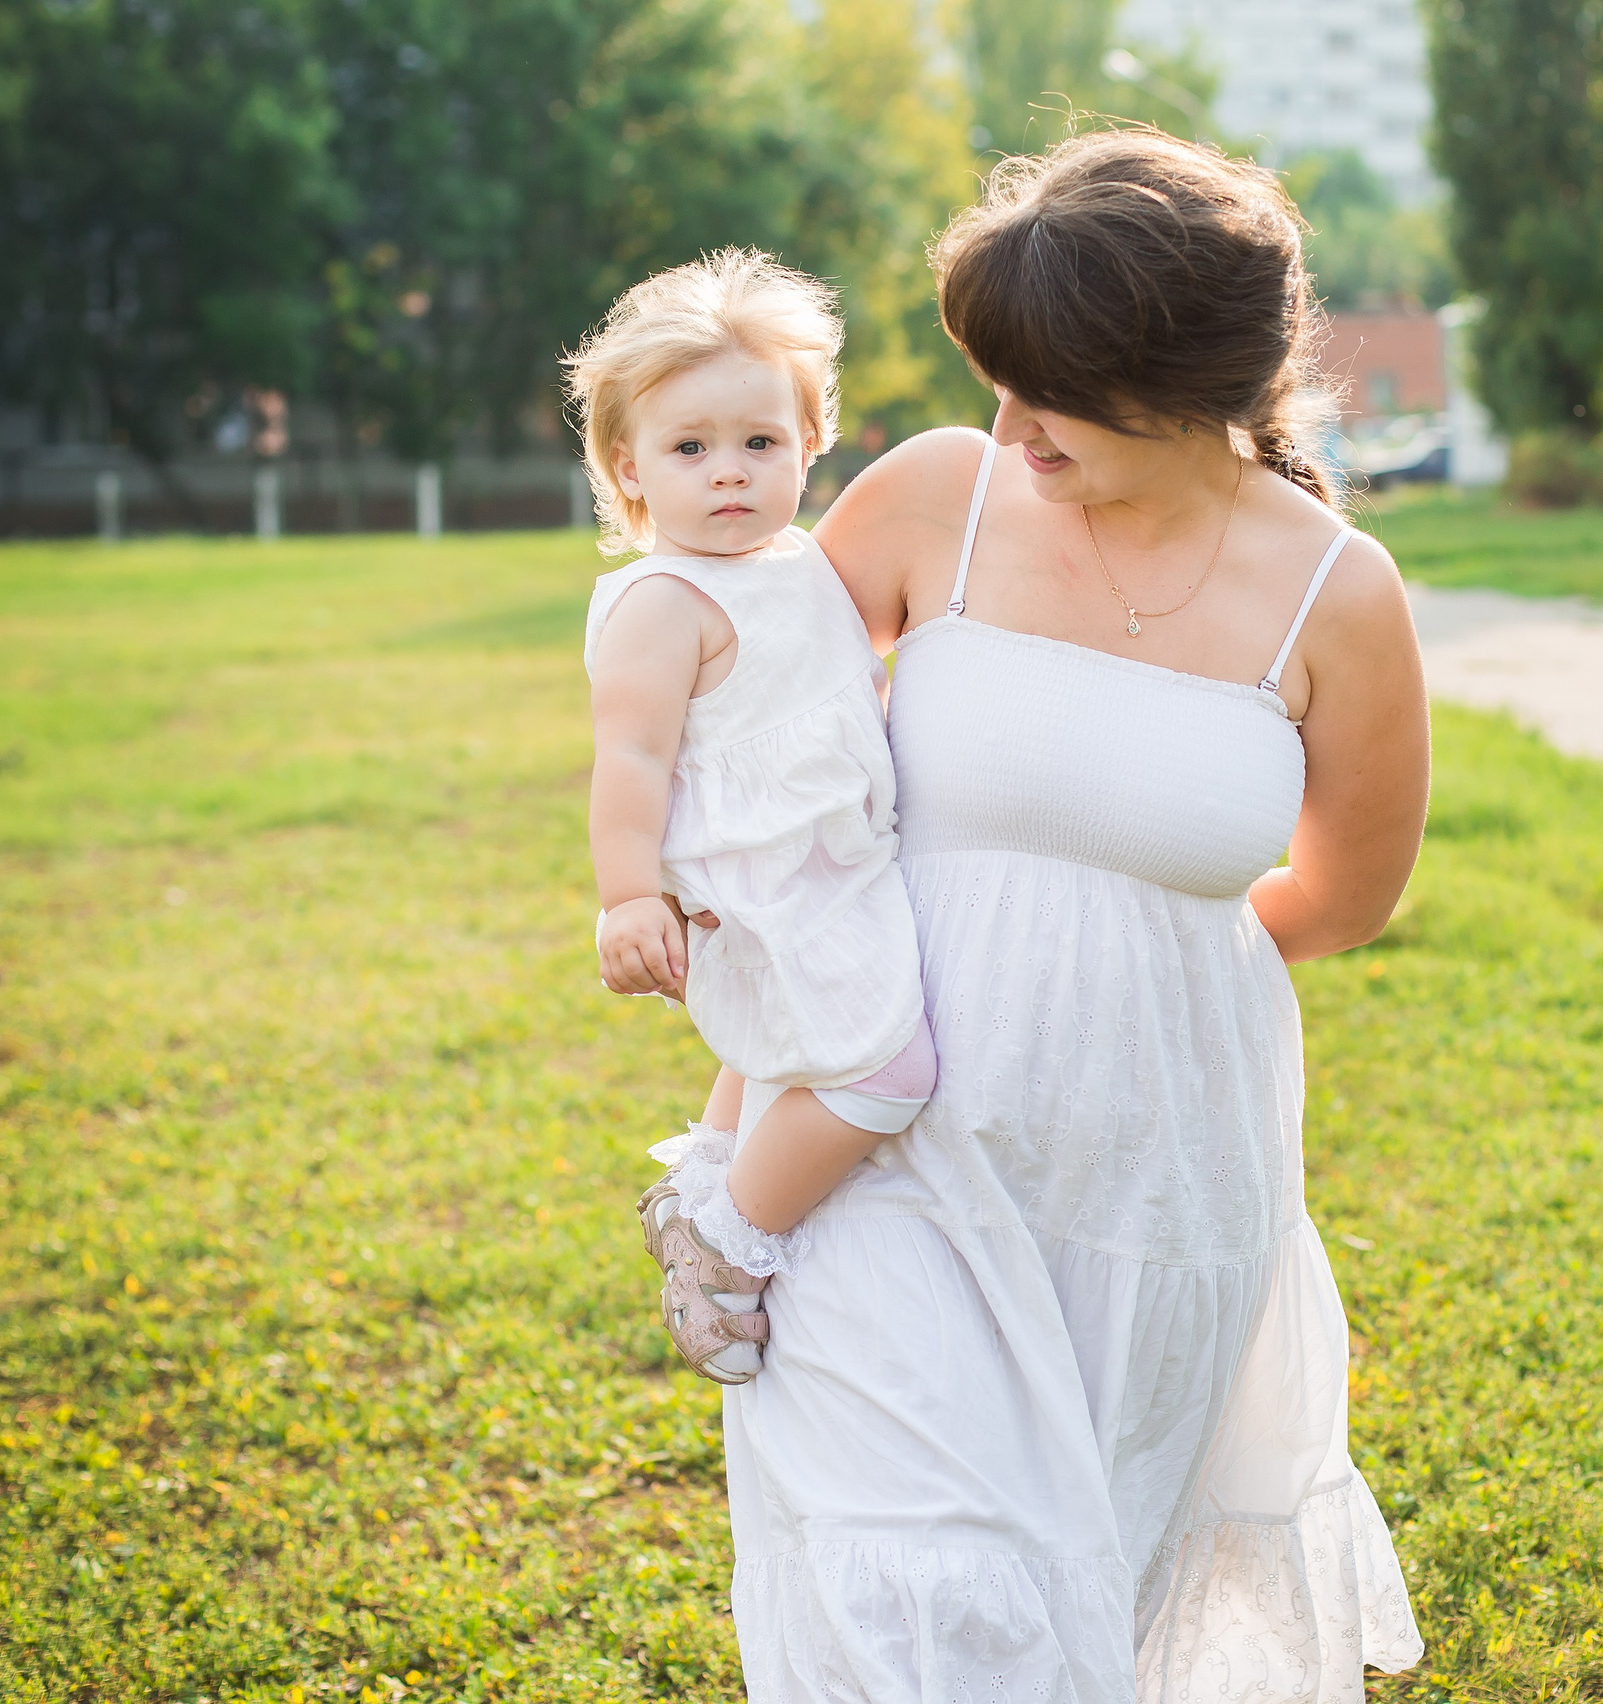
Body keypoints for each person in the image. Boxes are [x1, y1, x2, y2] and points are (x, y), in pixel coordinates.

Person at [725, 130, 1433, 1700]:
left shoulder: (1339, 594)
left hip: (1156, 1188)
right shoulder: (934, 501)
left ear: (1188, 383)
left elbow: (1344, 895)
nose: (1008, 425)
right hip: (881, 1148)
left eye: (1051, 392)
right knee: (911, 1587)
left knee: (1086, 1600)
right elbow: (759, 761)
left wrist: (1128, 958)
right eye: (999, 377)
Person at [569, 250, 937, 1385]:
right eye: (689, 449)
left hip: (835, 862)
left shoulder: (804, 565)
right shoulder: (662, 602)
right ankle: (727, 1239)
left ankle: (700, 1177)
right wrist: (630, 897)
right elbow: (630, 761)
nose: (728, 472)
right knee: (887, 1073)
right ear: (629, 467)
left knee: (785, 1042)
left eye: (760, 443)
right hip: (759, 884)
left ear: (811, 441)